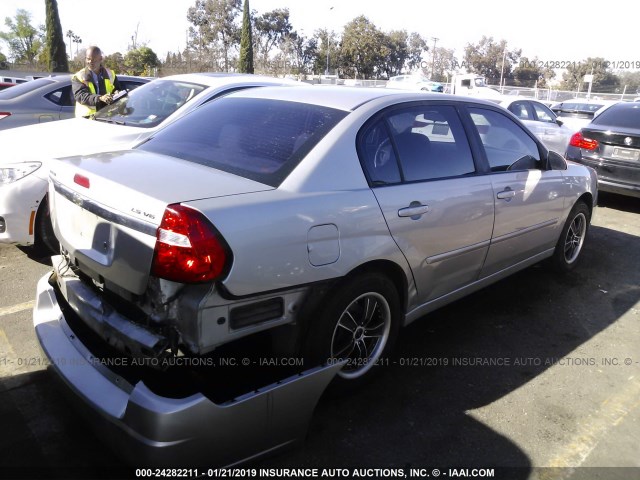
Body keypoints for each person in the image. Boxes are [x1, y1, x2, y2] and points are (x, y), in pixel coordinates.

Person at [71, 46, 122, 118]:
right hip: (86, 118)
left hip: (106, 117)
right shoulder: (79, 76)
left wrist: (117, 93)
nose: (90, 62)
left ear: (100, 59)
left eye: (94, 59)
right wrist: (100, 98)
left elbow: (117, 89)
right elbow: (81, 96)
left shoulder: (110, 74)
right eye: (88, 59)